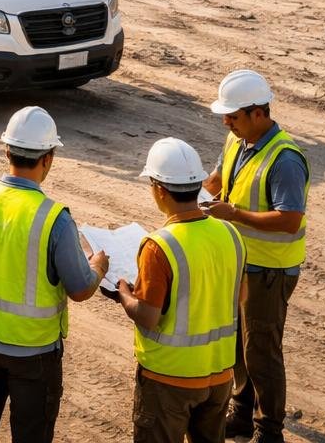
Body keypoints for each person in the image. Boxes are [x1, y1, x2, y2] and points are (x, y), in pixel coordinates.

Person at [0, 107, 110, 443]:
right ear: (48, 159)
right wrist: (97, 266)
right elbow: (80, 288)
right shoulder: (55, 219)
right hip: (33, 352)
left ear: (6, 150)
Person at [200, 71, 309, 443]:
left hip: (270, 271)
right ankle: (242, 414)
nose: (225, 122)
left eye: (232, 116)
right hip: (241, 264)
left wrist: (235, 214)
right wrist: (195, 187)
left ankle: (269, 429)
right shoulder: (238, 141)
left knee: (261, 351)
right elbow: (217, 181)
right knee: (239, 346)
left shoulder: (285, 159)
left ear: (258, 113)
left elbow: (290, 219)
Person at [117, 138, 245, 443]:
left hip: (169, 379)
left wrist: (123, 292)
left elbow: (148, 317)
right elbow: (240, 297)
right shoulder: (230, 233)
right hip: (219, 376)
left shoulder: (159, 246)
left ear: (160, 189)